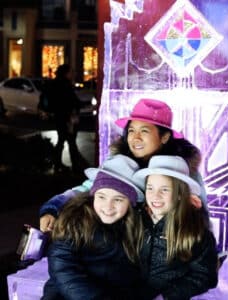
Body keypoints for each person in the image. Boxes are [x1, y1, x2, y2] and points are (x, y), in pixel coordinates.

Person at [39, 98, 208, 232]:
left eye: (144, 131)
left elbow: (200, 219)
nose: (135, 138)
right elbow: (86, 189)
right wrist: (54, 208)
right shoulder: (120, 164)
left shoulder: (180, 171)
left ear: (164, 137)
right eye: (132, 130)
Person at [42, 154, 144, 300]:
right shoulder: (75, 221)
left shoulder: (133, 226)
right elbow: (63, 268)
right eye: (101, 197)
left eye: (118, 199)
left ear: (130, 203)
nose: (108, 207)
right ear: (93, 196)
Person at [133, 155, 218, 300]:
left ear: (180, 194)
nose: (155, 195)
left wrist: (167, 296)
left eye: (164, 190)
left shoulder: (196, 232)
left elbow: (205, 276)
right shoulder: (134, 221)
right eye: (150, 188)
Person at [45, 64, 86, 173]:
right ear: (66, 73)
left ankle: (58, 164)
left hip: (60, 117)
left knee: (63, 140)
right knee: (70, 141)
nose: (74, 74)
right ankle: (75, 166)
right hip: (66, 118)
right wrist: (81, 106)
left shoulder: (56, 83)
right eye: (72, 71)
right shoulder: (64, 85)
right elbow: (71, 101)